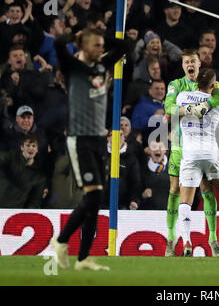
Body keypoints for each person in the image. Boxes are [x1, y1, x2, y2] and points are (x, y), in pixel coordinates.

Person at [50, 28, 130, 271]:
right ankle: (61, 241)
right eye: (95, 46)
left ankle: (83, 258)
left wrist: (99, 37)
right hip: (80, 139)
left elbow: (123, 46)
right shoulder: (73, 67)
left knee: (94, 200)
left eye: (101, 45)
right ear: (84, 47)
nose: (100, 49)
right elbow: (58, 45)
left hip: (98, 139)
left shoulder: (100, 66)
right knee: (94, 196)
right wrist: (78, 35)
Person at [163, 48, 219, 257]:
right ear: (183, 66)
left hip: (202, 147)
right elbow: (168, 107)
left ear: (199, 64)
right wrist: (190, 110)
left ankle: (213, 240)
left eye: (193, 61)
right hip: (179, 146)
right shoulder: (176, 85)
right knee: (175, 190)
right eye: (186, 62)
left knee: (207, 190)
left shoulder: (212, 85)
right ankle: (172, 238)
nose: (190, 65)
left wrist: (207, 103)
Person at [176, 68, 219, 257]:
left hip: (190, 154)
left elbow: (174, 111)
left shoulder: (182, 97)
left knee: (186, 200)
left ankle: (187, 240)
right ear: (214, 85)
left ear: (196, 81)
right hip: (211, 153)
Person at [0, 134, 47, 208]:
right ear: (22, 147)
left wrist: (26, 214)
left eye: (34, 146)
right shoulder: (10, 157)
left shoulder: (39, 176)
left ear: (37, 149)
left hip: (16, 212)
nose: (31, 148)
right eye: (28, 145)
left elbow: (35, 200)